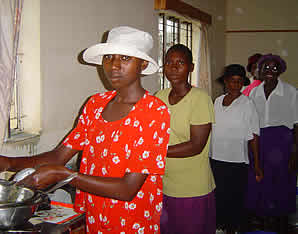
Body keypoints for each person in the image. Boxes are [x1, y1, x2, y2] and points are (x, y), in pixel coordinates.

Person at [0, 26, 170, 233]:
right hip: (94, 214)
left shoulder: (154, 112)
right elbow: (58, 157)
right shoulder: (95, 104)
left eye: (125, 58)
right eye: (108, 57)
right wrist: (9, 162)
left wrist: (64, 175)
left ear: (142, 64)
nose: (114, 65)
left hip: (132, 219)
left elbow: (128, 189)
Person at [155, 44, 216, 234]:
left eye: (180, 62)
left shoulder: (200, 99)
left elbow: (196, 146)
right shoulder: (160, 97)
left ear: (191, 67)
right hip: (164, 184)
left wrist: (156, 152)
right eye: (168, 62)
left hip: (191, 188)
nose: (173, 67)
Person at [247, 54, 297, 234]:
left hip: (283, 144)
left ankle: (280, 222)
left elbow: (297, 125)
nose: (269, 71)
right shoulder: (254, 92)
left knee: (282, 182)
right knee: (260, 181)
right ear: (260, 70)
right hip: (260, 142)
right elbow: (251, 122)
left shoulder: (291, 92)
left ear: (280, 71)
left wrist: (294, 154)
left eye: (274, 68)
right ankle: (263, 220)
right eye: (265, 68)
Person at [210, 64, 263, 234]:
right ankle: (220, 226)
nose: (235, 85)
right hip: (216, 158)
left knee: (234, 197)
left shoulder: (247, 104)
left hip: (237, 160)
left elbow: (254, 135)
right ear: (225, 82)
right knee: (219, 195)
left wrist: (256, 163)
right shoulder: (217, 101)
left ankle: (233, 228)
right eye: (232, 81)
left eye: (239, 81)